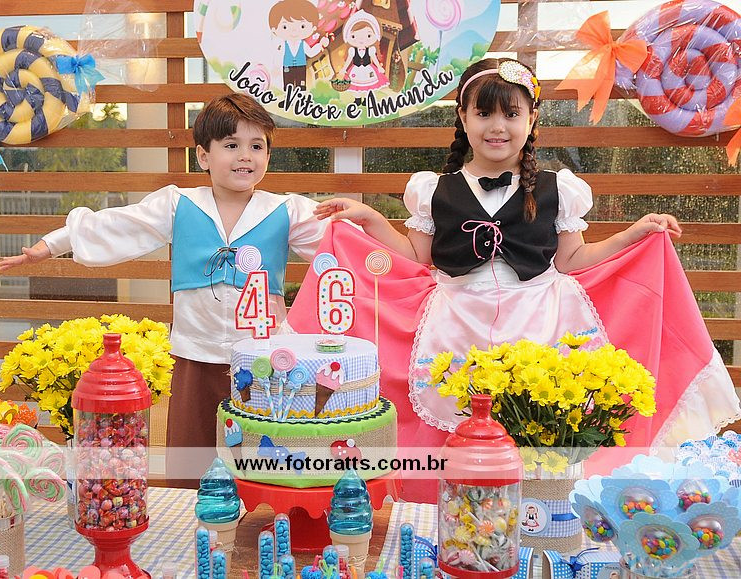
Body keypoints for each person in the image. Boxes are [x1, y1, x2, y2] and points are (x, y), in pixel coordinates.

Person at [287, 57, 741, 500]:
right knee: (460, 418)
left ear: (532, 119)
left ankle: (541, 511)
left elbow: (573, 259)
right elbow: (417, 256)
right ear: (463, 117)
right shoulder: (433, 190)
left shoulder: (557, 188)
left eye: (511, 113)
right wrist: (369, 219)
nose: (497, 126)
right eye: (484, 113)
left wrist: (632, 234)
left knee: (539, 422)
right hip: (456, 320)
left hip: (541, 320)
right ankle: (460, 509)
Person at [0, 93, 328, 486]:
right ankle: (192, 520)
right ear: (203, 156)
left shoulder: (287, 210)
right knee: (192, 463)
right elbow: (119, 224)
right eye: (231, 145)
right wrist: (51, 245)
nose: (245, 156)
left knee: (263, 462)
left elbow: (341, 248)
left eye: (257, 146)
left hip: (265, 360)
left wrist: (372, 228)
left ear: (268, 156)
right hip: (195, 356)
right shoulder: (178, 204)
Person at [269, 0, 329, 90]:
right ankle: (288, 96)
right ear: (274, 29)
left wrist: (320, 45)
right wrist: (276, 67)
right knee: (288, 85)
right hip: (287, 67)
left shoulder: (303, 44)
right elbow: (279, 55)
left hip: (301, 66)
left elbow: (311, 52)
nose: (294, 31)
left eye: (302, 26)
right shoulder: (283, 45)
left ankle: (300, 95)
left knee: (301, 85)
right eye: (285, 27)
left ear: (313, 27)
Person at [336, 10, 388, 101]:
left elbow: (374, 58)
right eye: (353, 36)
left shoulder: (371, 50)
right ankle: (357, 99)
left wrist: (379, 67)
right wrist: (344, 69)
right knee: (356, 86)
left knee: (368, 85)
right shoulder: (352, 50)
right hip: (356, 69)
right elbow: (349, 60)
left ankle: (366, 99)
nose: (361, 40)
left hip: (368, 69)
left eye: (368, 36)